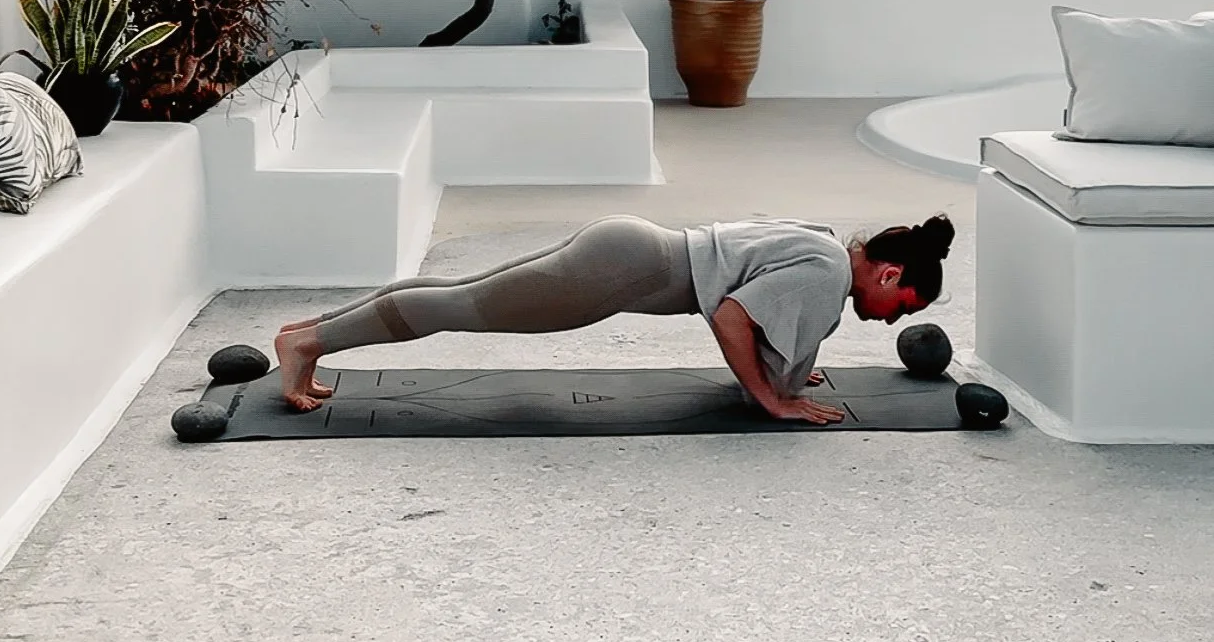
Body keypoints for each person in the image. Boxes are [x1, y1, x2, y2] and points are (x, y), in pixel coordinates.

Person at [273, 209, 956, 422]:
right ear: (890, 273)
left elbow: (761, 305)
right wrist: (771, 402)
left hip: (629, 244)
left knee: (461, 291)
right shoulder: (828, 272)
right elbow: (731, 317)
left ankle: (305, 338)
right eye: (904, 305)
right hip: (625, 268)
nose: (894, 321)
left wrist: (791, 378)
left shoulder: (822, 241)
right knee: (464, 306)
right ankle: (310, 345)